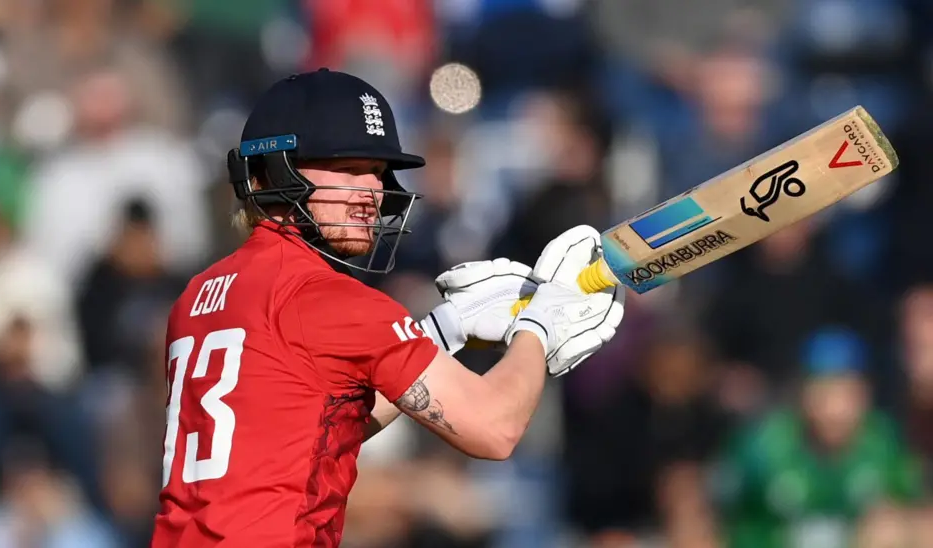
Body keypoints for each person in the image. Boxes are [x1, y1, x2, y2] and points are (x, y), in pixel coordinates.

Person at [149, 68, 626, 547]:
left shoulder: (197, 295)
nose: (372, 193)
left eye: (376, 172)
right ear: (273, 171)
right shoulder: (330, 299)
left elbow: (310, 430)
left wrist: (445, 328)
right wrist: (540, 321)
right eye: (347, 168)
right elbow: (494, 427)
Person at [714, 326, 923, 548]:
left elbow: (918, 514)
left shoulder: (885, 445)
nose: (835, 411)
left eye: (846, 394)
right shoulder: (762, 449)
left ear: (865, 394)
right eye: (824, 393)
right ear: (802, 393)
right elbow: (714, 514)